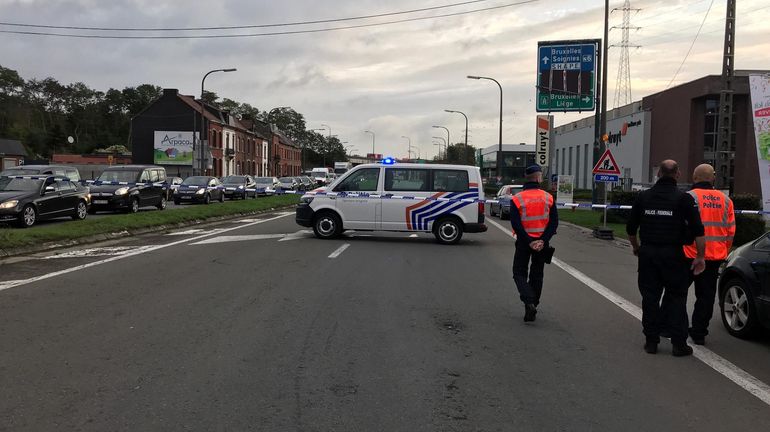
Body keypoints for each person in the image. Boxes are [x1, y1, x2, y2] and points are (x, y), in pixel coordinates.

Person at [626, 160, 706, 357]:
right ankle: (679, 344)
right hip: (674, 256)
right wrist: (700, 256)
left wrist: (637, 248)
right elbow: (698, 230)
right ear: (677, 174)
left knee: (650, 298)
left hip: (648, 254)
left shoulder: (643, 197)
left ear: (659, 174)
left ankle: (651, 342)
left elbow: (630, 229)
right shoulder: (684, 199)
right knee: (677, 298)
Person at [682, 164, 735, 345]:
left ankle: (674, 327)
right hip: (713, 258)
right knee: (705, 296)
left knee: (677, 293)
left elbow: (680, 226)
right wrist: (723, 250)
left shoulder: (688, 197)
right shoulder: (725, 200)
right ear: (712, 178)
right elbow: (730, 231)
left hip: (688, 254)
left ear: (694, 177)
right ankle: (699, 333)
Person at [510, 165, 558, 322]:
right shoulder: (548, 197)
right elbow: (554, 223)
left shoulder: (517, 199)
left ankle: (529, 301)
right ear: (538, 178)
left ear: (527, 178)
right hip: (542, 244)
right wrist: (542, 240)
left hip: (525, 243)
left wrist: (529, 241)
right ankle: (533, 304)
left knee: (519, 272)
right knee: (537, 274)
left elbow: (516, 224)